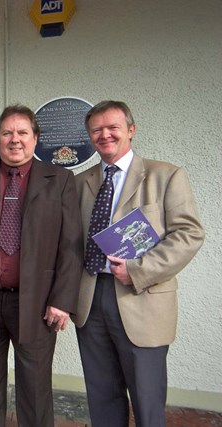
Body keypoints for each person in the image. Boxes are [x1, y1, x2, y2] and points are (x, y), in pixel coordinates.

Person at [0, 105, 83, 427]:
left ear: (35, 138)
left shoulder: (61, 181)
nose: (15, 140)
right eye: (7, 133)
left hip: (38, 304)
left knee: (35, 388)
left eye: (23, 132)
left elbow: (71, 246)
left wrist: (62, 301)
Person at [73, 100, 205, 427]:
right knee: (102, 395)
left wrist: (137, 270)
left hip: (142, 299)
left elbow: (189, 234)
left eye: (112, 127)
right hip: (90, 300)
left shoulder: (165, 176)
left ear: (131, 130)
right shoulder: (80, 182)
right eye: (96, 130)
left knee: (147, 400)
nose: (104, 135)